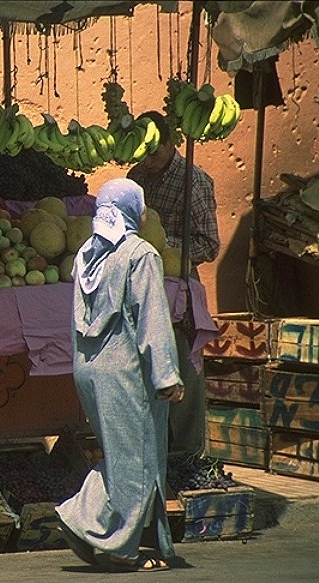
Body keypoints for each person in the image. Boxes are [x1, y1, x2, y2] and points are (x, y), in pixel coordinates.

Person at [55, 178, 184, 572]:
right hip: (125, 370)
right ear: (133, 212)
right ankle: (113, 544)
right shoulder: (140, 254)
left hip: (90, 369)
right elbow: (153, 318)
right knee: (138, 457)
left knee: (121, 454)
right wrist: (167, 375)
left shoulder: (87, 254)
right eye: (142, 208)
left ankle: (93, 523)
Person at [128, 110, 220, 458]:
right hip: (140, 282)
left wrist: (165, 249)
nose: (148, 160)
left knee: (181, 366)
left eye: (154, 152)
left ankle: (186, 454)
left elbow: (209, 244)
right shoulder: (137, 176)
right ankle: (153, 447)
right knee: (144, 365)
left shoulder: (192, 181)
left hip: (178, 284)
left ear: (170, 144)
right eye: (142, 152)